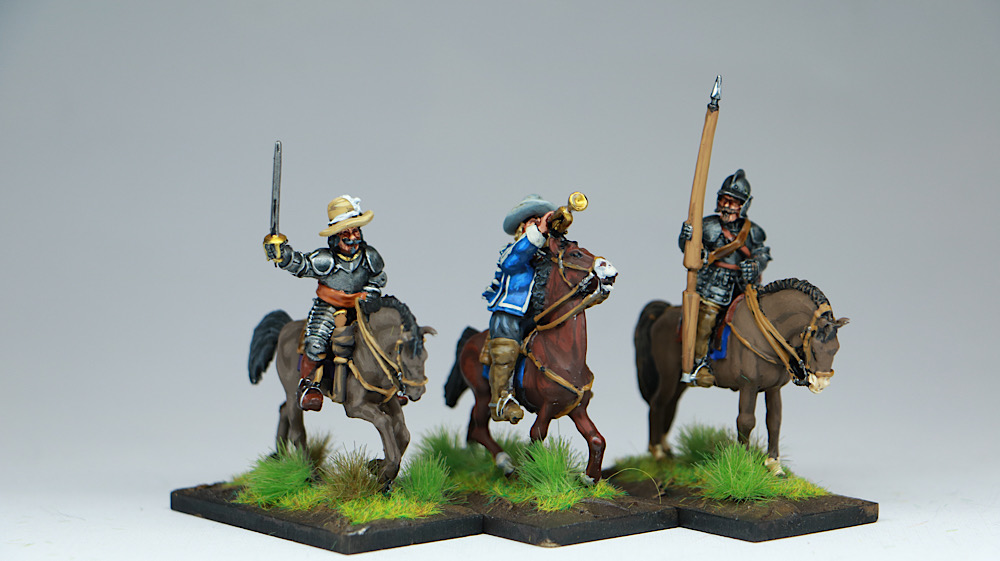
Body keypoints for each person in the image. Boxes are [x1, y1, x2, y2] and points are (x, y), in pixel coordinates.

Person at [264, 195, 386, 410]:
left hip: (361, 305)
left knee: (388, 335)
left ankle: (394, 381)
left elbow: (378, 278)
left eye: (355, 231)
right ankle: (309, 386)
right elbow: (301, 264)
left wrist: (370, 294)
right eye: (345, 233)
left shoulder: (370, 256)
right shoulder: (325, 259)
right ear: (335, 237)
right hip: (329, 306)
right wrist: (282, 255)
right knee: (316, 343)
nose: (352, 237)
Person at [678, 169, 771, 386]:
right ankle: (699, 365)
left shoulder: (753, 231)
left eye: (734, 202)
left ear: (744, 205)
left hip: (743, 285)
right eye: (724, 200)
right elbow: (691, 250)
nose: (727, 206)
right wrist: (686, 238)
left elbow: (762, 253)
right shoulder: (708, 225)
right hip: (714, 283)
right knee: (707, 319)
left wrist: (755, 266)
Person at [482, 194, 556, 423]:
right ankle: (500, 401)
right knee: (506, 353)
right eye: (533, 221)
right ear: (522, 228)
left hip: (538, 314)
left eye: (541, 221)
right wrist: (538, 232)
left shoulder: (547, 256)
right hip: (509, 313)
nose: (539, 225)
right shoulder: (513, 250)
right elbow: (512, 261)